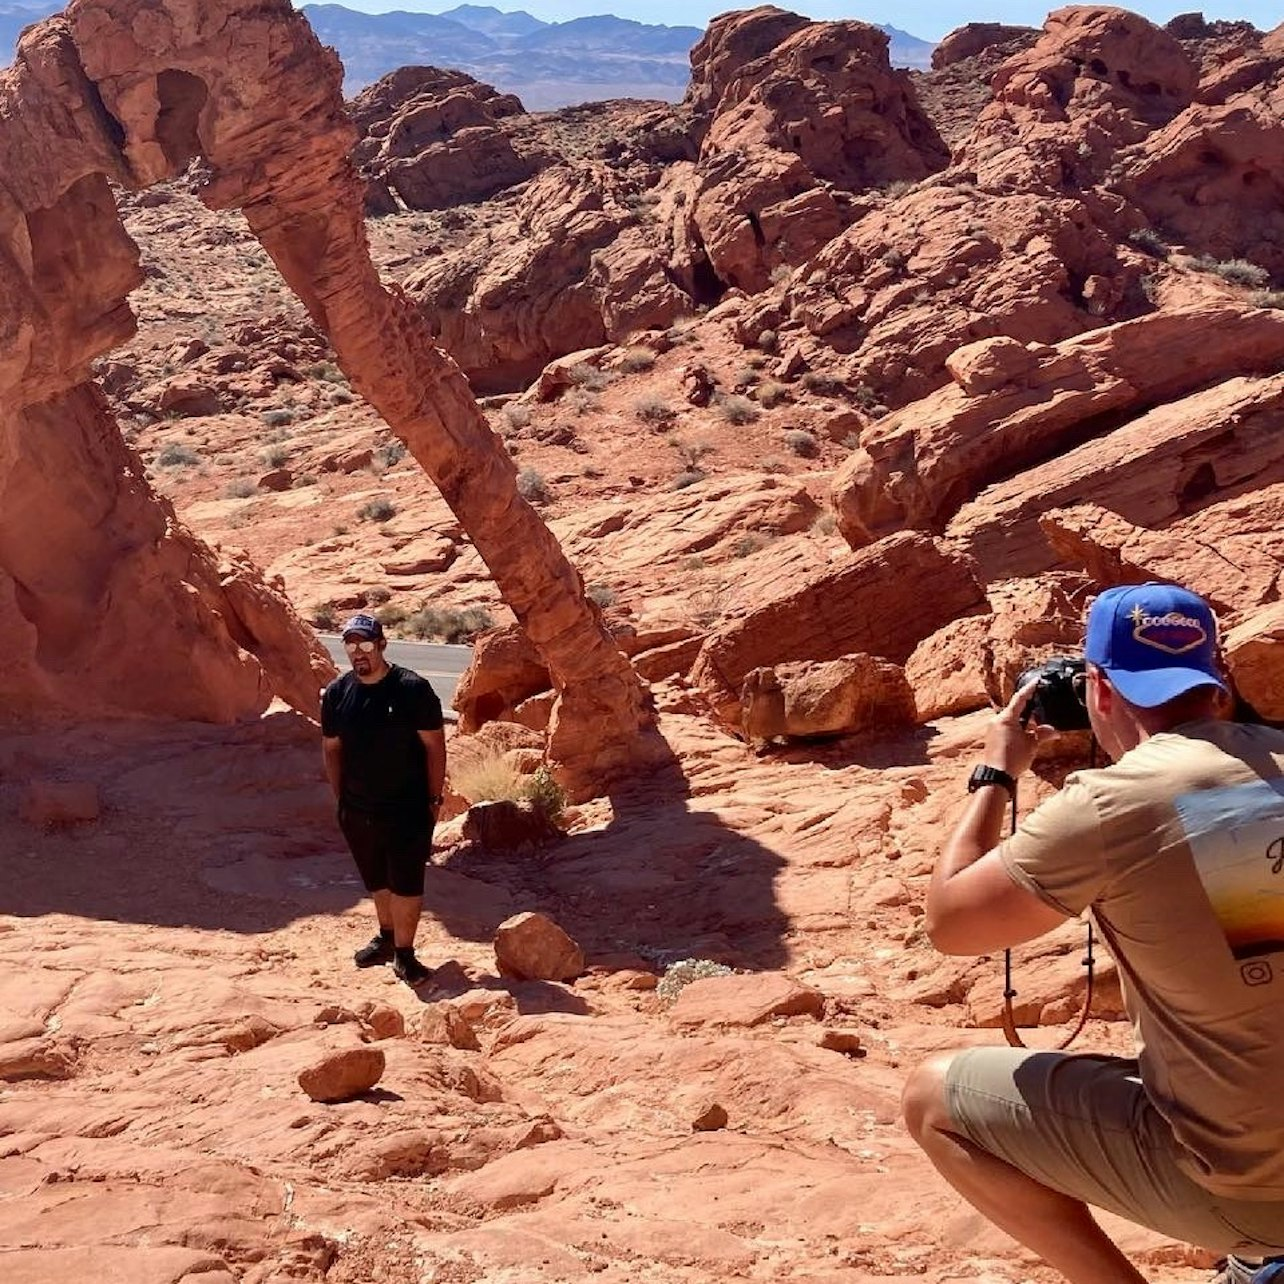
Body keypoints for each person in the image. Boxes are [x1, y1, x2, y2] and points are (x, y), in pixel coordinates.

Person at [902, 582, 1284, 1284]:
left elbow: (952, 925)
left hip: (1259, 1196)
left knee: (934, 1099)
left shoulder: (1118, 801)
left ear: (1099, 690)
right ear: (1217, 682)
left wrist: (996, 772)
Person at [321, 612, 447, 987]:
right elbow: (332, 748)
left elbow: (434, 746)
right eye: (351, 644)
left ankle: (406, 956)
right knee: (377, 877)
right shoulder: (338, 693)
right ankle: (387, 938)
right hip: (358, 808)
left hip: (407, 806)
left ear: (381, 645)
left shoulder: (412, 689)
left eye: (365, 643)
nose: (358, 652)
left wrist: (434, 797)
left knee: (406, 881)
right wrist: (341, 798)